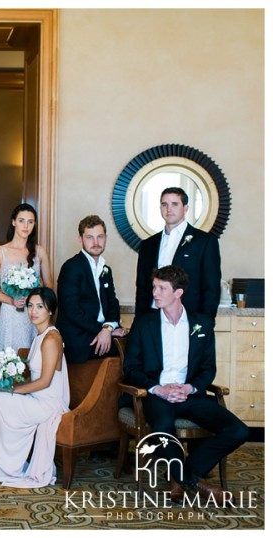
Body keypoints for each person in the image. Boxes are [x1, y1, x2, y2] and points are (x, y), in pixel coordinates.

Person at [123, 265, 248, 503]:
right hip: (157, 395)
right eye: (154, 287)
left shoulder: (201, 323)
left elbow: (208, 368)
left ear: (178, 293)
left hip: (190, 395)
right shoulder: (144, 323)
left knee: (238, 430)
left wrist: (189, 388)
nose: (155, 293)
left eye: (161, 288)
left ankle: (181, 475)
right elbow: (130, 368)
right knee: (163, 424)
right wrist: (158, 388)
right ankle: (193, 482)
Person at [0, 287, 69, 488]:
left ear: (51, 311)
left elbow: (45, 382)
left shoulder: (51, 338)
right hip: (36, 398)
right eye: (30, 306)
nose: (33, 311)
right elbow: (33, 377)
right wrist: (8, 382)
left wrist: (11, 391)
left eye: (40, 306)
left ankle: (5, 465)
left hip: (46, 405)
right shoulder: (39, 336)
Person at [135, 187, 221, 320]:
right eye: (164, 204)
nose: (169, 209)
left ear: (185, 208)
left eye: (175, 204)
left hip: (188, 317)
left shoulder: (204, 242)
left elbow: (211, 287)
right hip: (151, 317)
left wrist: (206, 322)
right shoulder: (148, 244)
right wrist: (139, 321)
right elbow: (141, 287)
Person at [56, 215, 128, 364]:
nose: (96, 243)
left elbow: (113, 303)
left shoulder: (106, 269)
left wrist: (108, 328)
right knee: (134, 349)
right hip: (80, 338)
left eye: (100, 237)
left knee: (137, 340)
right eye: (90, 237)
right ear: (80, 239)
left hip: (101, 332)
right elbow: (72, 311)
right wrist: (103, 330)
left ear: (106, 238)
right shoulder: (71, 268)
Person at [0, 203, 53, 351]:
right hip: (10, 314)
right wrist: (11, 300)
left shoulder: (40, 252)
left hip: (34, 313)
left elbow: (49, 286)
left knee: (34, 358)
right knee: (10, 357)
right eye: (21, 220)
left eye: (30, 221)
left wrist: (37, 304)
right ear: (14, 221)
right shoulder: (0, 252)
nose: (26, 226)